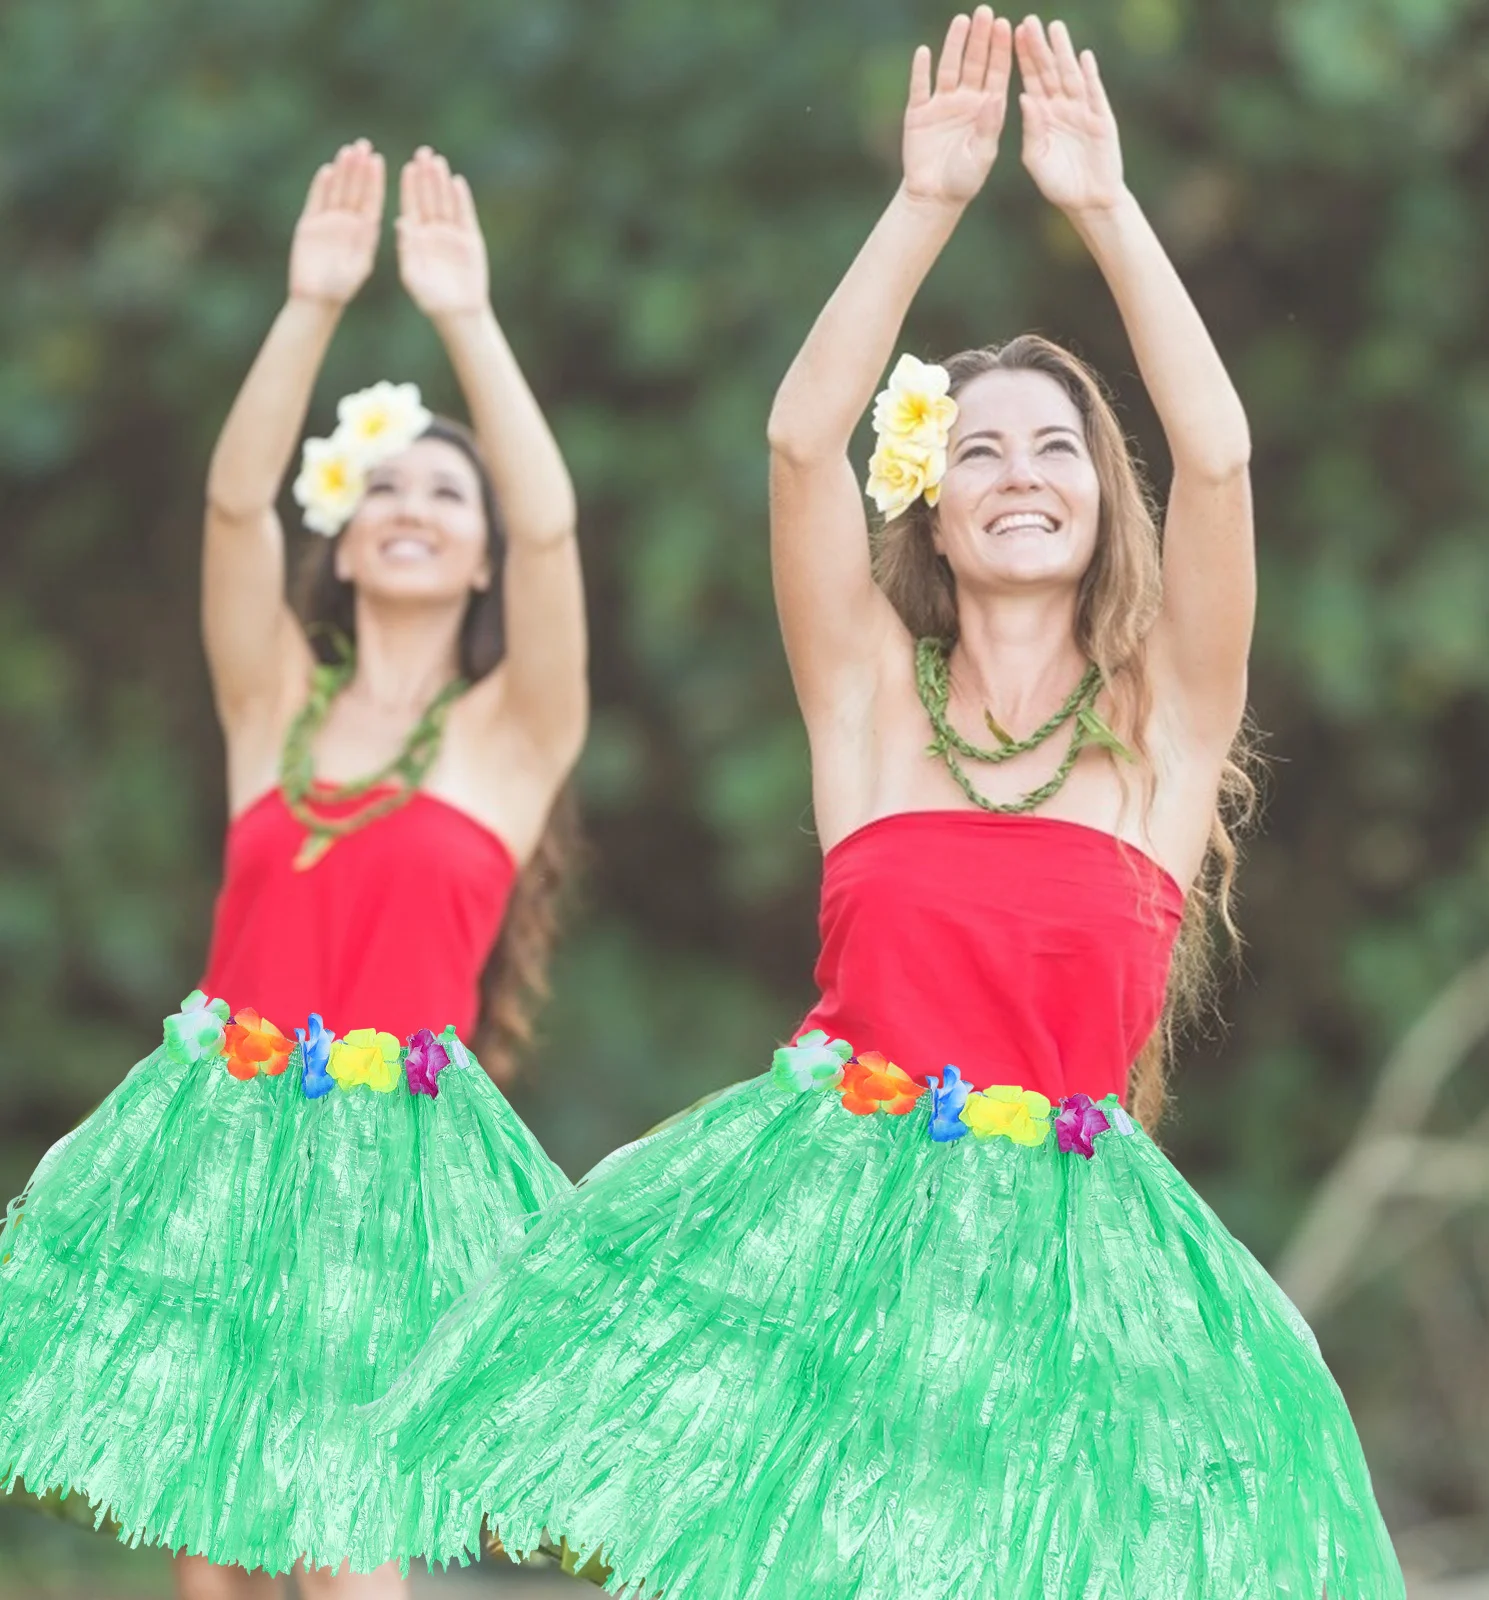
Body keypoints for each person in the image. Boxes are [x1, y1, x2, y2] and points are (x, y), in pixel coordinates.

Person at [372, 15, 1402, 1596]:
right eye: (978, 447)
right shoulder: (863, 698)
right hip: (830, 1262)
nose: (1021, 471)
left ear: (1099, 495)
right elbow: (800, 444)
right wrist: (924, 204)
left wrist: (1108, 211)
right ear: (933, 492)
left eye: (1058, 445)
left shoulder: (1163, 735)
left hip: (1071, 1296)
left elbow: (1221, 453)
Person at [0, 139, 588, 1596]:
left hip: (392, 1186)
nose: (411, 506)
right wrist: (311, 301)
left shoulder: (511, 738)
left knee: (341, 1555)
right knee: (214, 1570)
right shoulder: (275, 702)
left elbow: (559, 519)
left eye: (447, 499)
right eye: (383, 486)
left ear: (480, 561)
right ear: (347, 528)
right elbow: (229, 510)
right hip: (222, 1155)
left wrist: (467, 315)